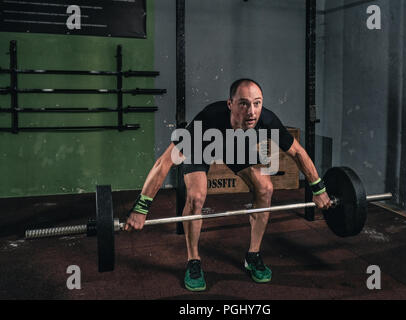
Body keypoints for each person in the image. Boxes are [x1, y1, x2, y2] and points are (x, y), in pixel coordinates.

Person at [124, 79, 331, 291]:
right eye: (243, 103)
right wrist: (141, 208)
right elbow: (164, 162)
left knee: (265, 188)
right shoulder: (208, 119)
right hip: (200, 148)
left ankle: (253, 255)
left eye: (257, 103)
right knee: (196, 197)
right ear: (230, 104)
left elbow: (297, 152)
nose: (252, 111)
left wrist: (319, 189)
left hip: (235, 147)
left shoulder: (266, 119)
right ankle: (193, 261)